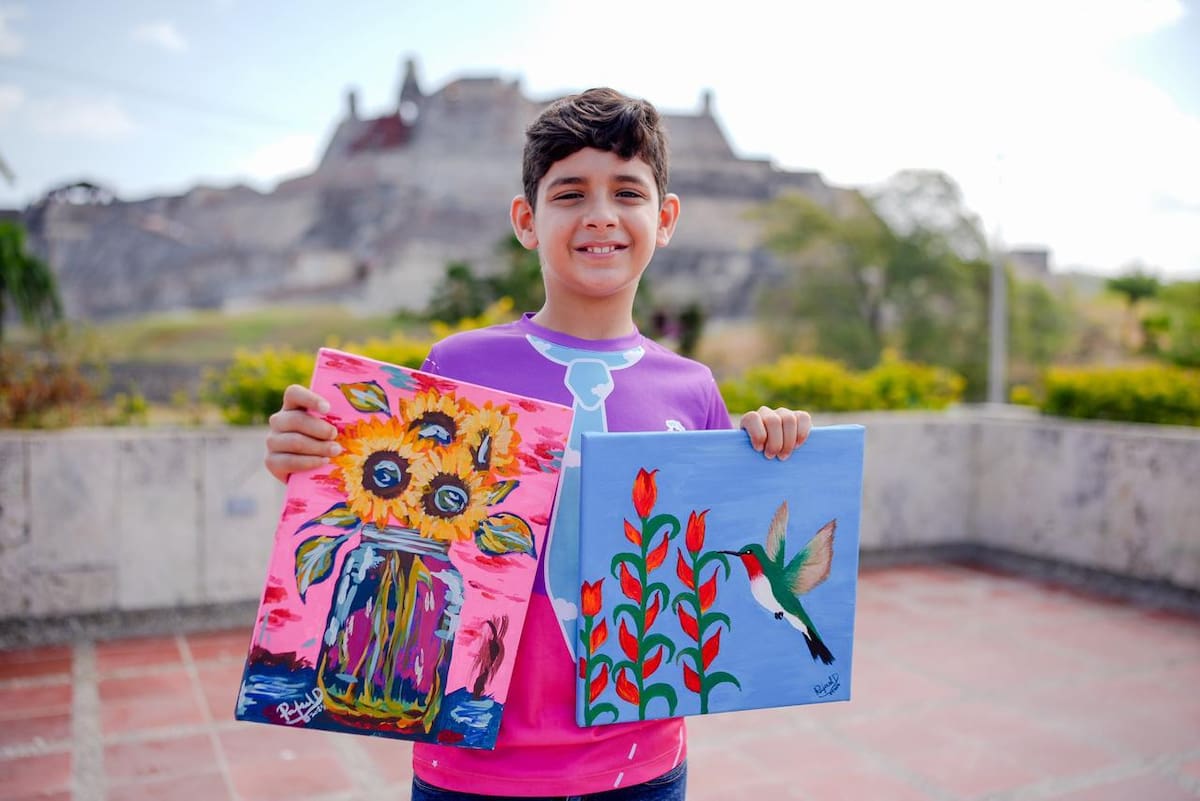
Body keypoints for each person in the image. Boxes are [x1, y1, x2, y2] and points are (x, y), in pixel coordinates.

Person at [264, 87, 812, 801]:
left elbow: (729, 567)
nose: (600, 216)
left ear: (665, 218)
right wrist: (307, 458)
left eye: (627, 192)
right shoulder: (458, 367)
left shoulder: (694, 387)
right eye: (570, 194)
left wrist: (767, 446)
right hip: (472, 767)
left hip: (642, 766)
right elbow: (387, 514)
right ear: (526, 220)